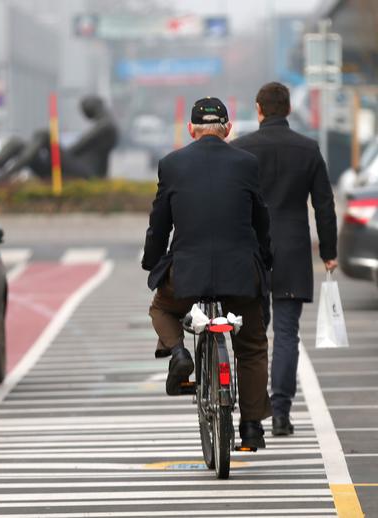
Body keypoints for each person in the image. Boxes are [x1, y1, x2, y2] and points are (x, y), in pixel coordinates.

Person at [142, 97, 273, 450]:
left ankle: (179, 353)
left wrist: (151, 260)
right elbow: (260, 219)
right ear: (228, 129)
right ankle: (250, 428)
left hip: (188, 273)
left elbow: (159, 224)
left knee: (161, 308)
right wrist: (266, 259)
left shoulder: (171, 164)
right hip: (240, 273)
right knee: (252, 346)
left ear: (191, 130)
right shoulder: (247, 164)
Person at [231, 82, 338, 437]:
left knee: (253, 335)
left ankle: (252, 414)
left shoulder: (242, 149)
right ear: (289, 110)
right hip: (293, 251)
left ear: (259, 109)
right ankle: (280, 414)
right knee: (287, 334)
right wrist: (329, 252)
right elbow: (324, 204)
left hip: (251, 255)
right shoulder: (308, 149)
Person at [0, 95, 118, 180]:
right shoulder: (104, 124)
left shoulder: (106, 126)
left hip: (87, 173)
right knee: (17, 143)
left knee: (44, 135)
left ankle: (7, 175)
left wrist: (47, 150)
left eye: (85, 109)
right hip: (76, 167)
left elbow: (76, 149)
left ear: (95, 105)